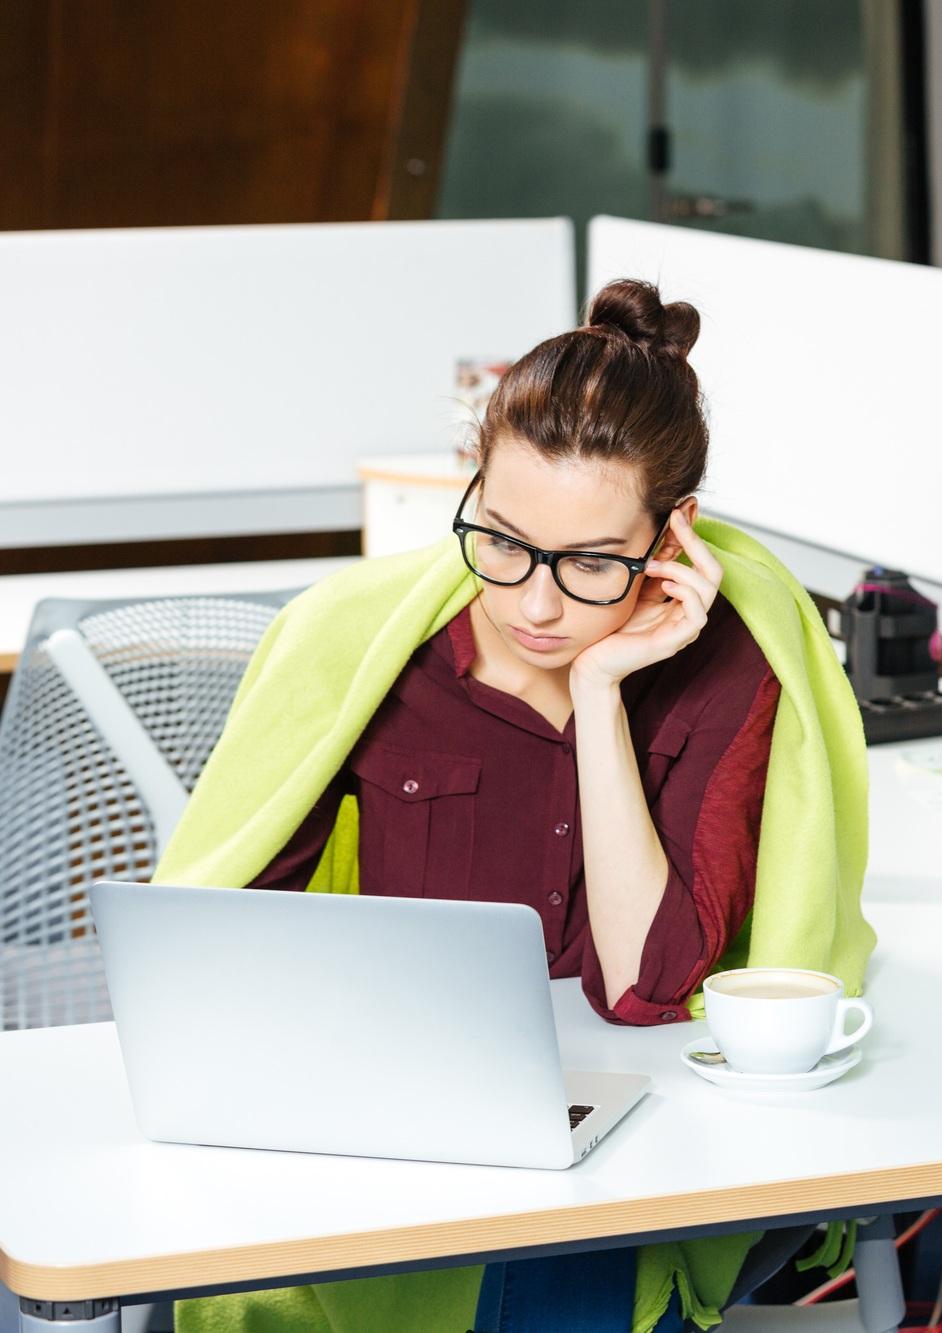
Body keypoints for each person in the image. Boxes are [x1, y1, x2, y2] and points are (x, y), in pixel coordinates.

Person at [162, 278, 874, 1333]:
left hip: (632, 1143)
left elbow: (641, 989)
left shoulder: (734, 666)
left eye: (591, 562)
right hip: (392, 1126)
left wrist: (600, 695)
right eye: (499, 540)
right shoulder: (361, 647)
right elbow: (214, 946)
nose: (534, 604)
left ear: (673, 535)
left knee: (559, 1272)